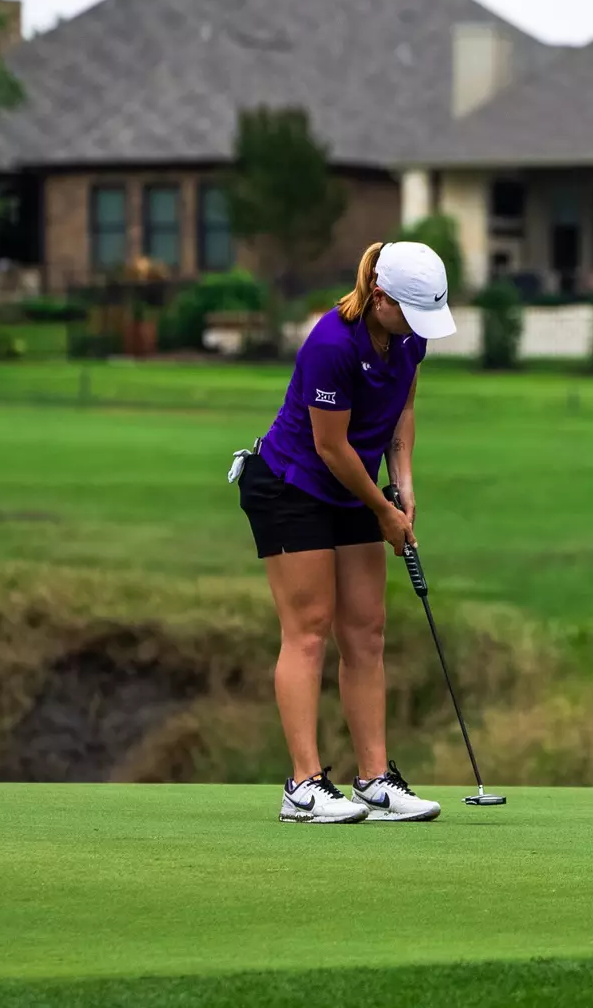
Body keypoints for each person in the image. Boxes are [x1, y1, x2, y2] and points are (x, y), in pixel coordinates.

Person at [233, 240, 457, 824]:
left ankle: (375, 781)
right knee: (308, 629)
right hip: (291, 486)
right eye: (410, 311)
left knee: (367, 630)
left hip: (352, 481)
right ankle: (303, 786)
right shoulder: (331, 344)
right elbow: (330, 447)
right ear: (379, 297)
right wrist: (383, 511)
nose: (418, 326)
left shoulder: (410, 337)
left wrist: (403, 482)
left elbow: (402, 409)